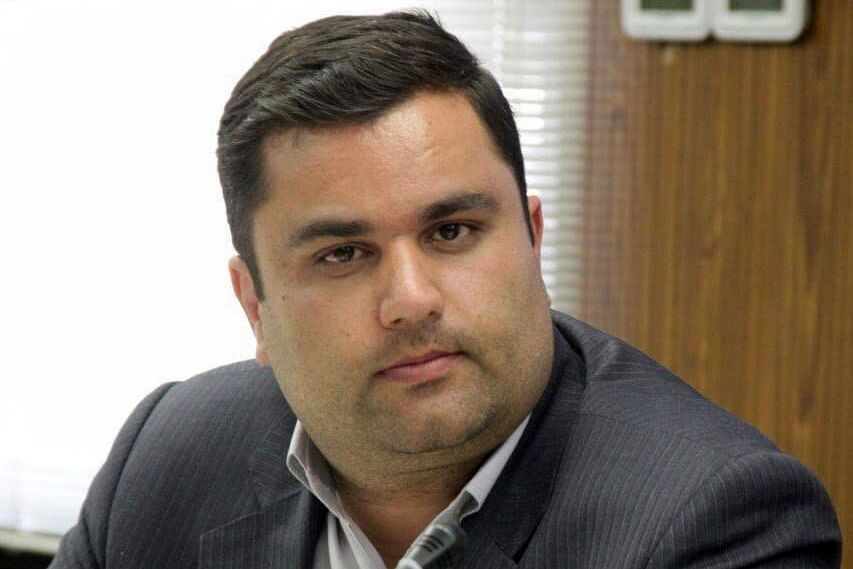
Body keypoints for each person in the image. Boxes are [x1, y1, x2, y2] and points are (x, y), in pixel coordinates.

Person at [49, 10, 841, 569]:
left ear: (532, 239)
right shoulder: (169, 456)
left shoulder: (712, 519)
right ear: (254, 306)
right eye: (343, 253)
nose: (411, 299)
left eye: (451, 232)